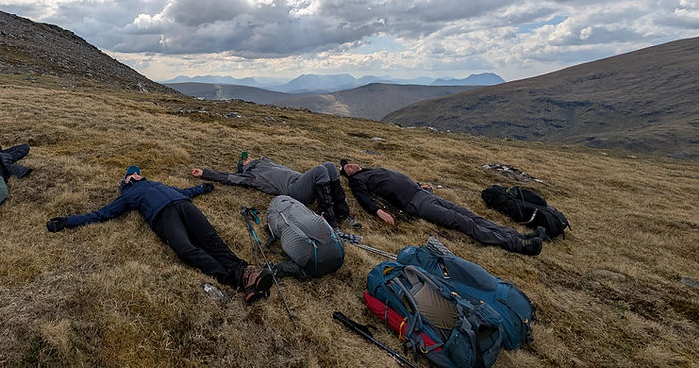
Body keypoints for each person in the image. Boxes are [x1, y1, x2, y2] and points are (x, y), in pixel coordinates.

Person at [47, 166, 274, 303]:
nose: (135, 175)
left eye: (137, 173)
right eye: (131, 175)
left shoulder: (156, 183)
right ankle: (237, 280)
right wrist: (68, 221)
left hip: (184, 205)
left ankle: (247, 274)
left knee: (211, 240)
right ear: (126, 180)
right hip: (163, 217)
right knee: (186, 250)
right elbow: (102, 214)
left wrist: (202, 188)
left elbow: (183, 191)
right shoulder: (128, 195)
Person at [340, 160, 544, 255]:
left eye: (350, 162)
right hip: (415, 203)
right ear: (347, 174)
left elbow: (398, 180)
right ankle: (518, 246)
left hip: (422, 193)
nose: (351, 165)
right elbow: (363, 198)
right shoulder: (357, 181)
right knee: (463, 222)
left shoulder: (372, 170)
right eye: (346, 167)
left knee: (470, 215)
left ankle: (518, 235)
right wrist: (378, 211)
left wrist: (419, 185)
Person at [191, 154, 361, 230]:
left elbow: (275, 167)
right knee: (319, 170)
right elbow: (229, 177)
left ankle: (342, 212)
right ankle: (329, 218)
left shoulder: (265, 164)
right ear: (244, 166)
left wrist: (266, 159)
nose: (248, 157)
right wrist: (205, 173)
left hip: (302, 182)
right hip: (294, 192)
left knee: (330, 165)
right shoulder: (252, 175)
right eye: (246, 159)